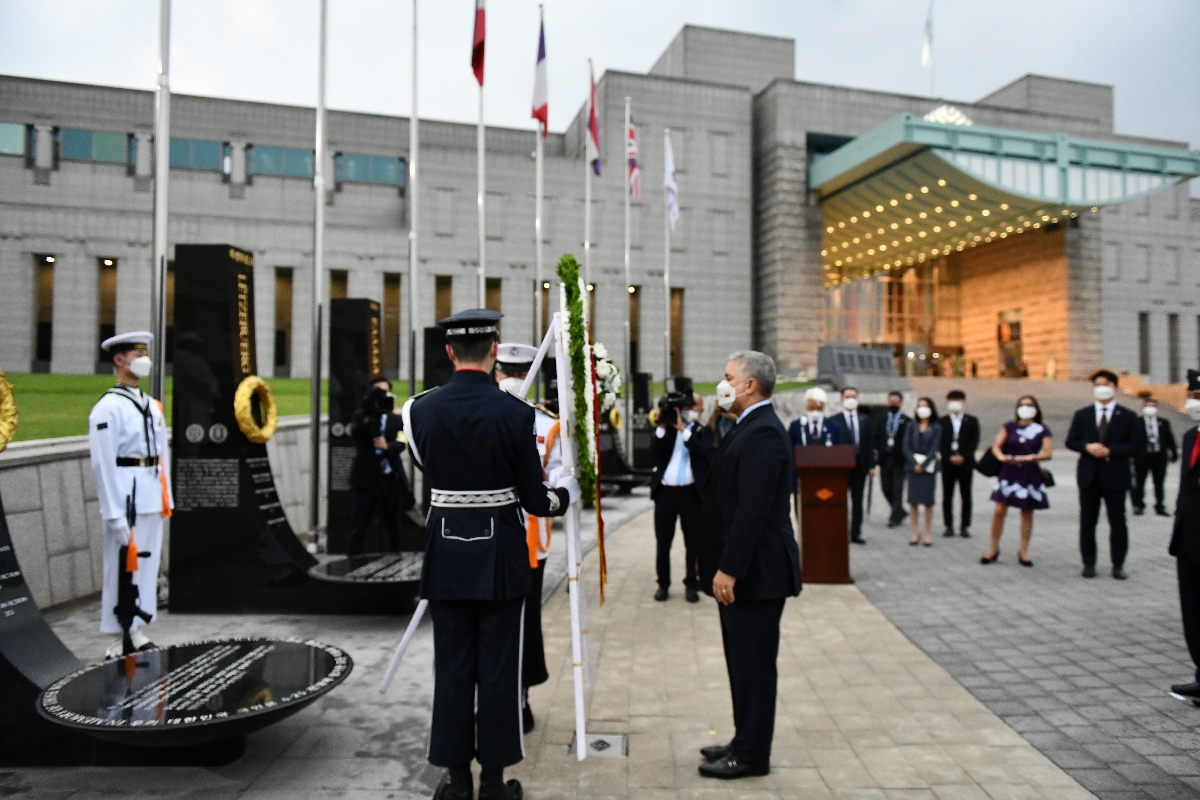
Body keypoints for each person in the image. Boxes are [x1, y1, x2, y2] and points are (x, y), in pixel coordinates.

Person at [403, 310, 579, 800]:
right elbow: (534, 499)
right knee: (500, 670)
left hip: (446, 551)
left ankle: (456, 782)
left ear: (448, 352)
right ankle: (495, 784)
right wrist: (564, 495)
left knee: (453, 667)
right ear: (495, 349)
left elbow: (427, 464)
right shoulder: (517, 415)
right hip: (500, 554)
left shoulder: (417, 410)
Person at [697, 351, 802, 779]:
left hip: (757, 573)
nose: (721, 385)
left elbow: (752, 511)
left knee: (754, 666)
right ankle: (743, 739)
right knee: (742, 661)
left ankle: (753, 754)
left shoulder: (763, 433)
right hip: (749, 571)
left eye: (727, 377)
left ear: (749, 385)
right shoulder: (747, 426)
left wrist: (729, 568)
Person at [87, 332, 173, 660]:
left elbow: (161, 453)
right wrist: (113, 513)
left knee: (146, 565)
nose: (143, 358)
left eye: (145, 352)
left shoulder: (151, 405)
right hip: (127, 494)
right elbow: (103, 464)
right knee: (120, 566)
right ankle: (116, 635)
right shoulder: (108, 408)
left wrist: (167, 497)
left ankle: (137, 627)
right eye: (137, 353)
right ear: (119, 360)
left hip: (151, 491)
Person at [494, 342, 561, 734]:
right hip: (485, 540)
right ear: (495, 371)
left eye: (522, 375)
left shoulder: (547, 425)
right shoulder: (480, 415)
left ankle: (520, 697)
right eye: (508, 373)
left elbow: (558, 478)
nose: (514, 381)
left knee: (524, 624)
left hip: (529, 542)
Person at [1066, 369, 1143, 579]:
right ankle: (1088, 563)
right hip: (1089, 475)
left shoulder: (1128, 416)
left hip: (1116, 475)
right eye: (1097, 384)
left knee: (1117, 521)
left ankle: (1118, 564)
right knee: (1088, 521)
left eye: (1106, 384)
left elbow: (1137, 445)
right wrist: (1087, 447)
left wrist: (1112, 451)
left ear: (1115, 387)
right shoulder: (1082, 414)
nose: (1101, 388)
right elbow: (1071, 440)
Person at [650, 391, 713, 603]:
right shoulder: (666, 430)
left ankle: (691, 584)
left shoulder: (700, 431)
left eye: (694, 406)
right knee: (663, 542)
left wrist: (683, 430)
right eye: (687, 406)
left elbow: (703, 452)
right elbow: (655, 454)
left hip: (690, 494)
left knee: (693, 543)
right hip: (666, 493)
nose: (690, 410)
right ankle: (663, 584)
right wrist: (661, 425)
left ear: (701, 410)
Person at [981, 396, 1053, 567]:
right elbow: (997, 445)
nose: (1026, 407)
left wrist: (1028, 457)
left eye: (1029, 405)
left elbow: (1047, 453)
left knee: (1027, 511)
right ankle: (993, 548)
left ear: (1036, 408)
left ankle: (1023, 550)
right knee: (999, 510)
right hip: (1009, 470)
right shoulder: (1010, 426)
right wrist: (1001, 457)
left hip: (1029, 472)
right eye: (1022, 405)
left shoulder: (1042, 429)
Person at [347, 376, 413, 556]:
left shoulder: (397, 420)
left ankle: (395, 561)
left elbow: (402, 441)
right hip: (366, 480)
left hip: (390, 481)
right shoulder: (360, 416)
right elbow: (355, 435)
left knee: (394, 528)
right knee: (359, 526)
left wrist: (388, 446)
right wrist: (368, 417)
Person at [1168, 370, 1200, 703]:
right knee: (1193, 611)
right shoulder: (1191, 436)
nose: (1195, 403)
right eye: (1193, 396)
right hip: (1188, 536)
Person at [828, 386, 873, 544]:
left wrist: (871, 466)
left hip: (860, 466)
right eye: (847, 396)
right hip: (842, 467)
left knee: (858, 500)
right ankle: (839, 530)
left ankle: (856, 532)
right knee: (840, 500)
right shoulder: (834, 420)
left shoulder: (864, 419)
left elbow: (868, 443)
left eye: (853, 396)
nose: (851, 399)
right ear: (841, 399)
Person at [939, 390, 980, 538]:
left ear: (963, 402)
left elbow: (974, 442)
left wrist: (964, 456)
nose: (955, 402)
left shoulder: (972, 420)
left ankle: (965, 526)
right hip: (948, 463)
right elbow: (940, 442)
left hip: (966, 463)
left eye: (958, 399)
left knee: (966, 494)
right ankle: (948, 525)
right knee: (947, 494)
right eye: (952, 400)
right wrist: (949, 456)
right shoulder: (942, 421)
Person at [903, 397, 941, 546]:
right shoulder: (911, 425)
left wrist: (923, 465)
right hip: (913, 467)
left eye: (925, 406)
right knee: (913, 501)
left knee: (928, 501)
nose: (922, 408)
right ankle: (915, 532)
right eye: (920, 406)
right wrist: (914, 463)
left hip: (928, 468)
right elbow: (906, 446)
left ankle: (927, 533)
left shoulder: (936, 427)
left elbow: (934, 448)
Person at [1133, 391, 1178, 517]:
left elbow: (1169, 438)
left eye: (1153, 406)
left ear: (1157, 408)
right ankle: (1139, 505)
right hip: (1142, 456)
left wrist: (1173, 452)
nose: (1150, 408)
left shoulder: (1163, 422)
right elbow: (1132, 439)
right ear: (1143, 407)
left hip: (1159, 455)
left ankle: (1160, 506)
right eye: (1148, 405)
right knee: (1140, 481)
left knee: (1159, 482)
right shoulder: (1137, 422)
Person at [875, 391, 910, 528]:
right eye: (891, 402)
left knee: (897, 489)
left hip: (900, 459)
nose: (893, 404)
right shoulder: (882, 419)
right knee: (885, 487)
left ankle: (894, 517)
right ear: (887, 403)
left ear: (900, 403)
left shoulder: (907, 421)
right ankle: (899, 511)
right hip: (885, 458)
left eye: (896, 402)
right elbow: (877, 436)